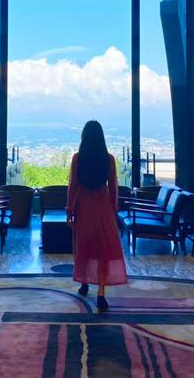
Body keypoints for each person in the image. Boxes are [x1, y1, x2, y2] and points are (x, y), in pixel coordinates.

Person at [66, 120, 127, 312]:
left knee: (84, 247)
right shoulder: (108, 159)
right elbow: (113, 187)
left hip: (84, 206)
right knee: (102, 251)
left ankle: (84, 282)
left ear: (84, 137)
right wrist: (113, 209)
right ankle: (101, 292)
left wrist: (69, 210)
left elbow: (73, 185)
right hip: (103, 207)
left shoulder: (78, 158)